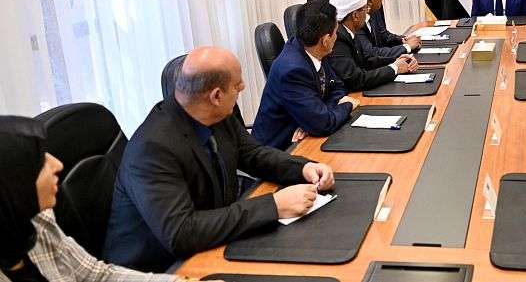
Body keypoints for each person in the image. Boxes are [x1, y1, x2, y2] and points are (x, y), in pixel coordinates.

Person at [103, 47, 335, 272]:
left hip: (211, 240)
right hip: (160, 268)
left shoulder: (214, 113)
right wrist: (274, 206)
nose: (243, 88)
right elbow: (181, 233)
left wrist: (303, 167)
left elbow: (253, 154)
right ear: (216, 95)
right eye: (237, 86)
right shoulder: (152, 148)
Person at [0, 115, 186, 282]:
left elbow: (96, 275)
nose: (57, 165)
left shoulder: (37, 222)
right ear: (14, 186)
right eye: (39, 163)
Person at [253, 1, 360, 150]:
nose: (337, 36)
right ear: (325, 40)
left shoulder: (313, 48)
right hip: (279, 150)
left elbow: (338, 86)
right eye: (336, 32)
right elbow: (324, 124)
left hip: (305, 134)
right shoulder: (293, 70)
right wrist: (347, 105)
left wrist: (315, 116)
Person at [326, 0, 418, 92]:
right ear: (355, 15)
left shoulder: (348, 31)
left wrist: (400, 60)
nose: (367, 14)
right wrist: (395, 68)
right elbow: (355, 80)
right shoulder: (338, 37)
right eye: (365, 9)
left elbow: (367, 60)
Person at [352, 0, 420, 63]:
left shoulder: (373, 11)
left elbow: (383, 36)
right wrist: (407, 47)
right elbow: (370, 53)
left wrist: (403, 40)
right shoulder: (355, 20)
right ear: (370, 0)